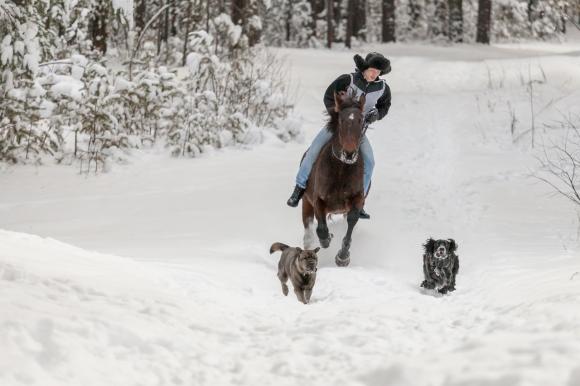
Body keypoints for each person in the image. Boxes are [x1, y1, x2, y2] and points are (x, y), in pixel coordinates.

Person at [286, 52, 392, 219]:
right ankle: (299, 188)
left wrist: (376, 114)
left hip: (358, 133)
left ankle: (360, 202)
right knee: (313, 150)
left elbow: (385, 107)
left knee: (370, 161)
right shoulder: (347, 80)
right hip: (336, 128)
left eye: (378, 72)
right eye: (372, 70)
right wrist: (336, 116)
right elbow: (329, 96)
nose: (374, 74)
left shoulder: (383, 89)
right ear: (365, 68)